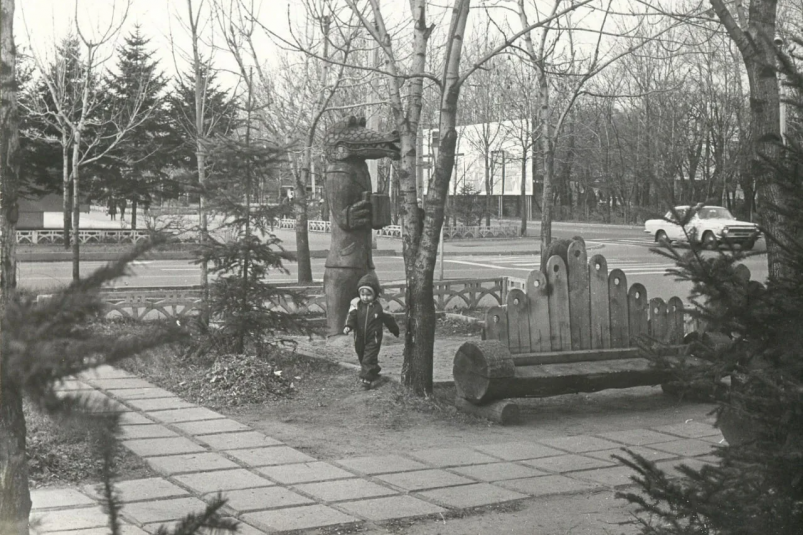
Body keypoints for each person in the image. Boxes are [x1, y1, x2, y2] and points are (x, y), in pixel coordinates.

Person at [343, 272, 400, 389]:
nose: (365, 297)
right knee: (361, 355)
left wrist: (394, 329)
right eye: (362, 294)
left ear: (374, 294)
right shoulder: (356, 304)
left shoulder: (379, 306)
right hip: (359, 337)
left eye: (368, 294)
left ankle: (366, 380)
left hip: (373, 337)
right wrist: (348, 326)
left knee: (368, 357)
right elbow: (352, 317)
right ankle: (374, 370)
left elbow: (388, 319)